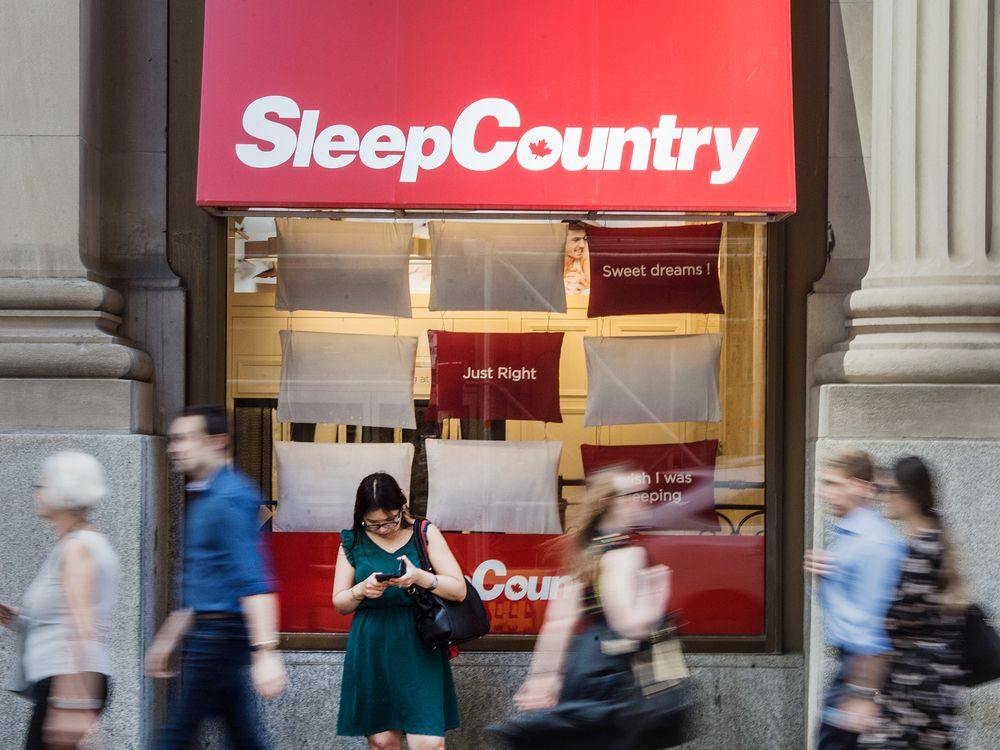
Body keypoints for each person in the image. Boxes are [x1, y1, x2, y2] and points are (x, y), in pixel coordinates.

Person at [488, 465, 674, 750]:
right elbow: (631, 625)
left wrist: (543, 676)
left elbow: (558, 621)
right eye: (632, 494)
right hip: (614, 679)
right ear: (610, 503)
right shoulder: (624, 555)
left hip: (584, 669)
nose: (642, 499)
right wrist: (657, 593)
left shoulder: (589, 550)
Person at [146, 405, 287, 749]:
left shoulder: (228, 498)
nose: (173, 447)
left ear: (216, 440)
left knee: (175, 736)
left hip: (217, 638)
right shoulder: (210, 495)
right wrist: (170, 635)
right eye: (173, 439)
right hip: (211, 634)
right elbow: (209, 578)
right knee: (242, 737)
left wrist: (266, 653)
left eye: (184, 438)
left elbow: (253, 580)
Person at [332, 472, 465, 750]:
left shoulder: (425, 532)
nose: (382, 529)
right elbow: (340, 603)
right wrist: (361, 590)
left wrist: (419, 577)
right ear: (361, 516)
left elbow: (458, 589)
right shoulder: (352, 541)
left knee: (428, 741)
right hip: (373, 642)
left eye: (390, 519)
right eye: (373, 523)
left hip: (419, 641)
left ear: (402, 507)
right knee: (382, 742)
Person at [0, 451, 120, 750]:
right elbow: (67, 618)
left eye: (42, 486)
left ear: (62, 491)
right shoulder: (79, 542)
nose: (36, 494)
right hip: (63, 682)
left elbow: (83, 629)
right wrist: (18, 620)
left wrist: (72, 703)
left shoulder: (77, 548)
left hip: (65, 683)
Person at [860, 456, 966, 749]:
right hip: (922, 687)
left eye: (889, 491)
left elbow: (889, 618)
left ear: (910, 495)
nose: (883, 499)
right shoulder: (930, 542)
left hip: (916, 690)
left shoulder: (920, 551)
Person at [805, 449, 907, 750]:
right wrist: (820, 579)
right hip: (850, 667)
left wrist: (863, 694)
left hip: (861, 670)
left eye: (833, 483)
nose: (822, 492)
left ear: (861, 487)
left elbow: (874, 626)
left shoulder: (874, 541)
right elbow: (847, 606)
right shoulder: (848, 534)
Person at [562, 221, 591, 295]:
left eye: (584, 238)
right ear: (562, 240)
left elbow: (595, 289)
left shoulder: (585, 252)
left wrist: (583, 286)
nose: (582, 245)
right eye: (576, 239)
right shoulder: (550, 258)